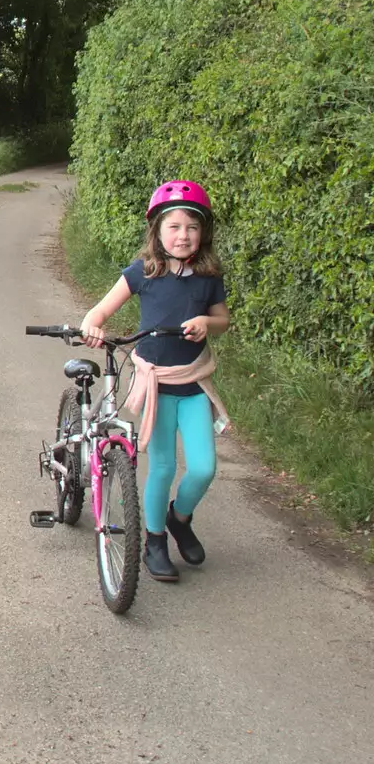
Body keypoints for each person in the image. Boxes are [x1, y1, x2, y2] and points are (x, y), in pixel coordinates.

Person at [78, 181, 232, 583]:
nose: (183, 236)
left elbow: (223, 320)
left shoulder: (207, 278)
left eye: (192, 228)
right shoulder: (143, 272)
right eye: (174, 227)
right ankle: (155, 541)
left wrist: (207, 323)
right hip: (156, 386)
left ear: (204, 233)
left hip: (192, 384)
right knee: (161, 465)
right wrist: (92, 326)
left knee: (203, 467)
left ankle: (179, 518)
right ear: (157, 232)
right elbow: (99, 312)